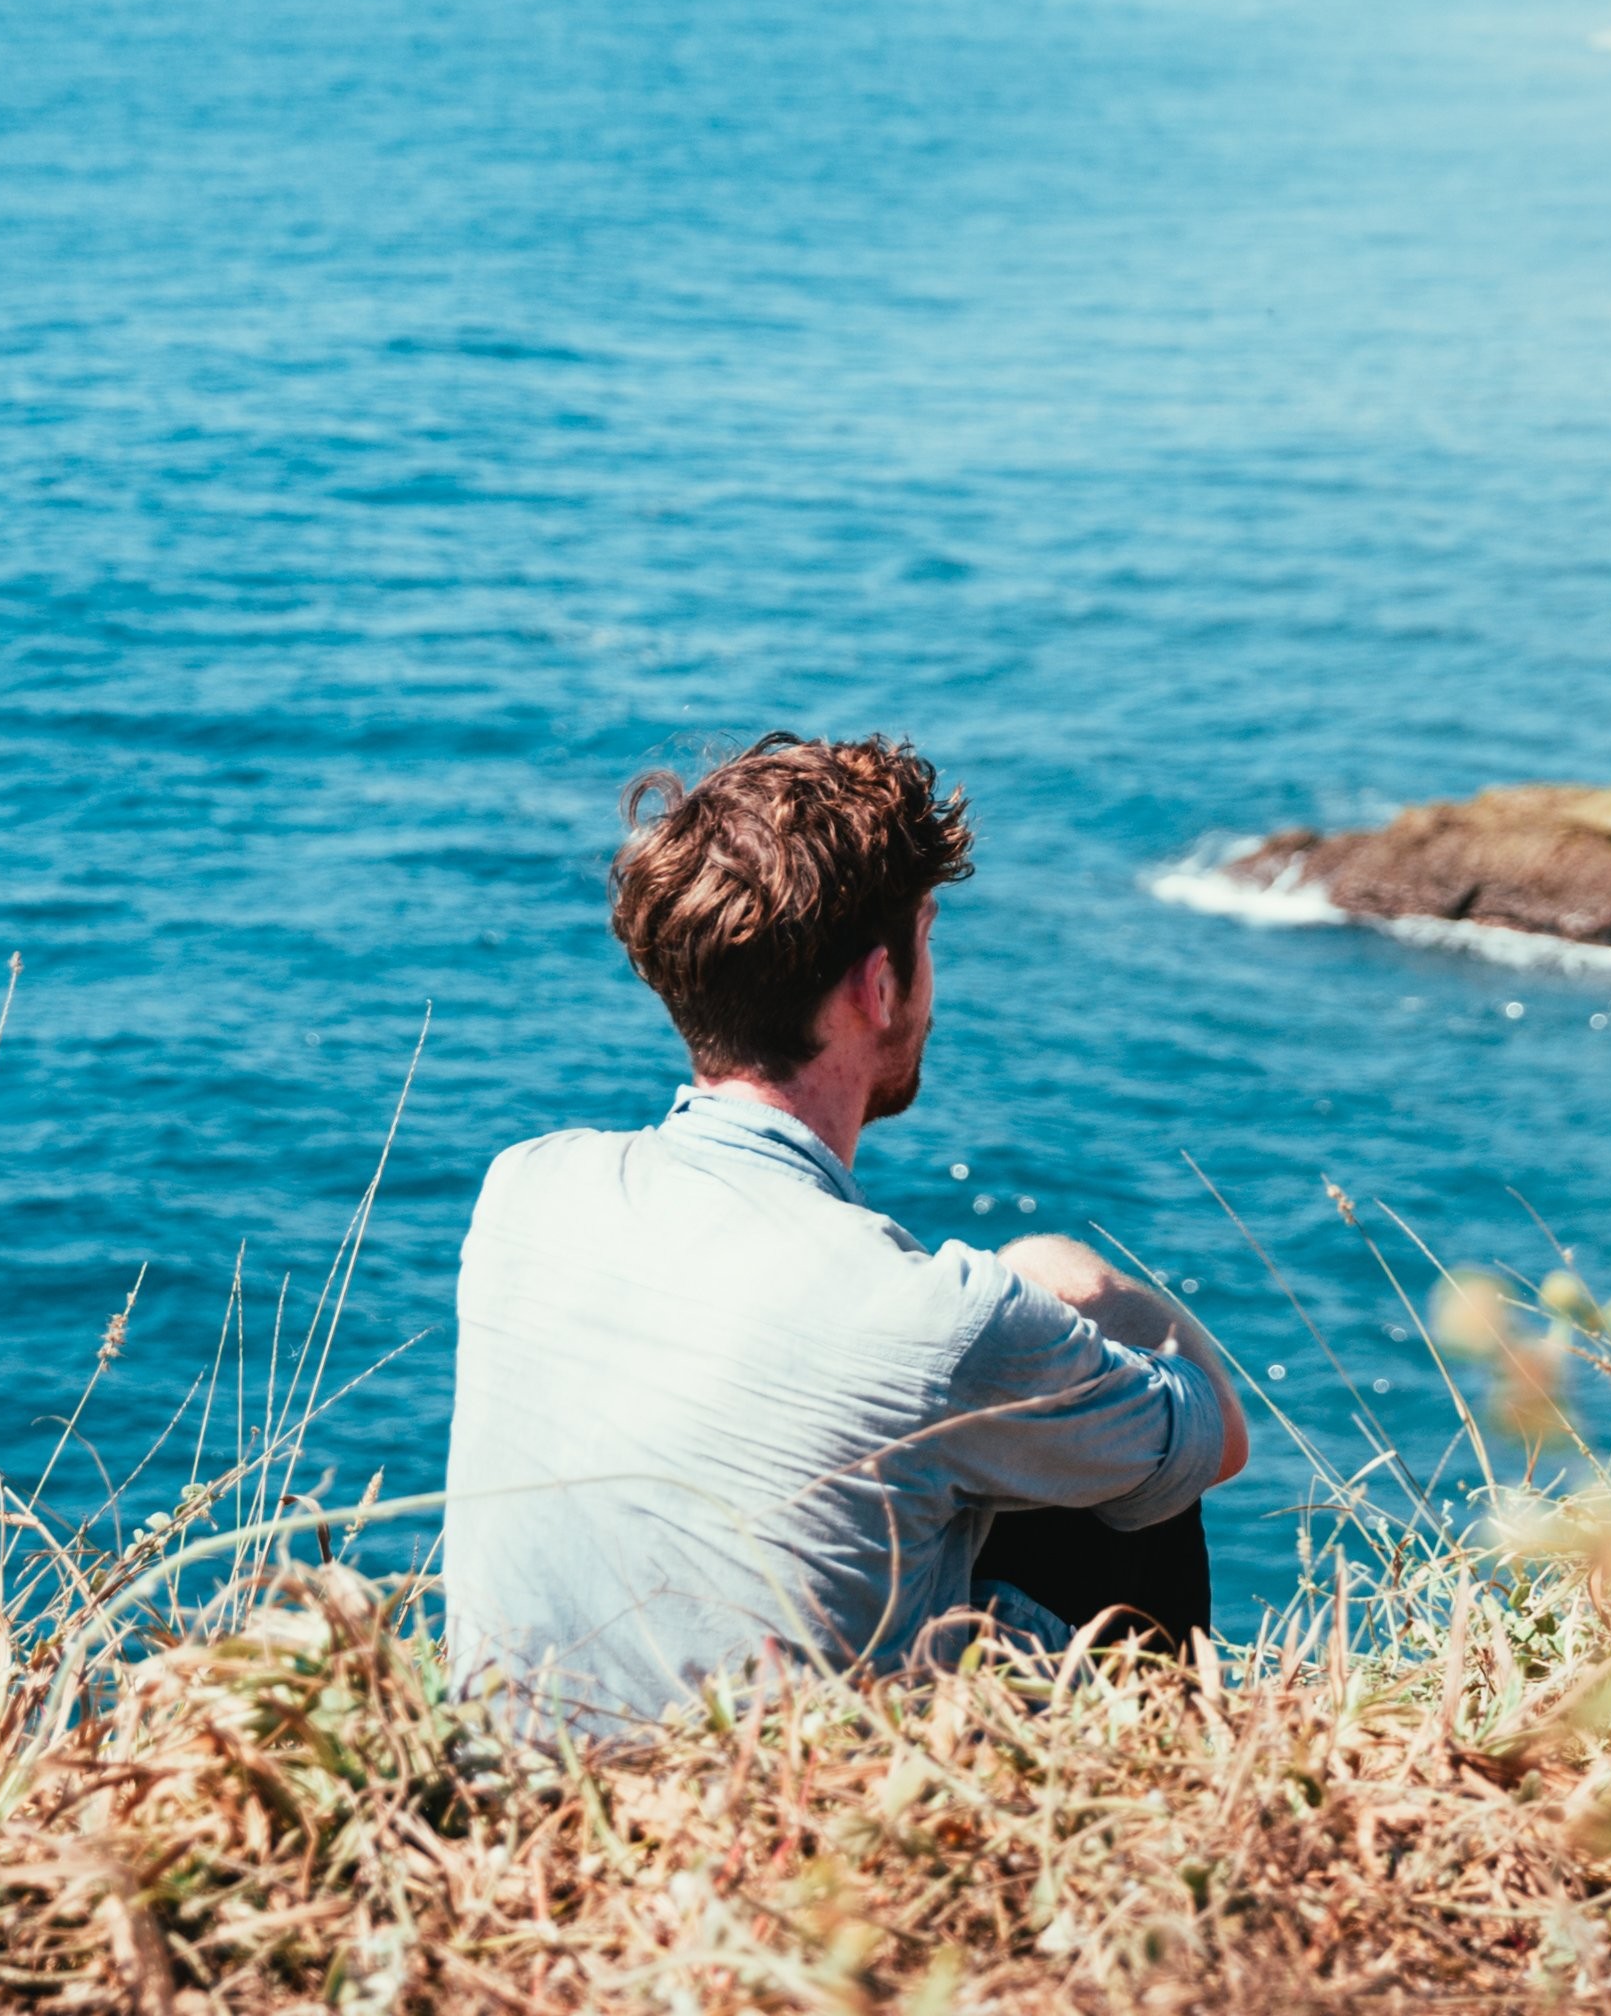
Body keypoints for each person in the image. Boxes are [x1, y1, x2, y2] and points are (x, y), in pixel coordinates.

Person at [435, 732, 1254, 1727]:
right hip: (791, 1828)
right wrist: (1066, 1276)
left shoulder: (525, 1188)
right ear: (877, 987)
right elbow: (1214, 1433)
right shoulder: (940, 1322)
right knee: (1125, 1482)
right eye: (928, 935)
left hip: (524, 1789)